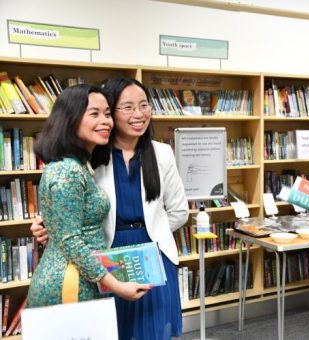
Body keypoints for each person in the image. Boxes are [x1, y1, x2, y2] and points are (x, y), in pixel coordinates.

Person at [32, 78, 189, 340]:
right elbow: (71, 207)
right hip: (107, 259)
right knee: (113, 331)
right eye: (127, 107)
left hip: (152, 257)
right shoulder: (91, 153)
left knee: (153, 331)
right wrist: (46, 223)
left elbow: (179, 211)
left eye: (144, 105)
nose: (138, 114)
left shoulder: (162, 154)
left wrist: (154, 232)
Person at [27, 84, 150, 308]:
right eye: (94, 114)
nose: (106, 121)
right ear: (70, 119)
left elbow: (67, 217)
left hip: (82, 276)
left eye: (107, 114)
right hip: (69, 281)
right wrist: (117, 285)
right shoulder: (68, 171)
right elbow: (71, 241)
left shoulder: (80, 165)